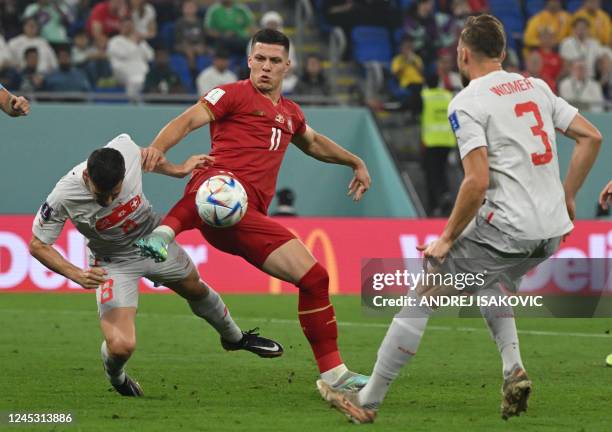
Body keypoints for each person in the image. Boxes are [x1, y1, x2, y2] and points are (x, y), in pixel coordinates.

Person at [317, 14, 602, 423]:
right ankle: (513, 370)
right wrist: (569, 195)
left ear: (462, 54)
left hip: (508, 230)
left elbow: (476, 181)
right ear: (502, 52)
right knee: (493, 284)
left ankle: (368, 400)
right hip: (554, 231)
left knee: (424, 292)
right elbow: (592, 136)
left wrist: (446, 239)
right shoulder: (537, 87)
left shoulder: (468, 101)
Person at [136, 28, 372, 391]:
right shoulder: (231, 94)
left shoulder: (290, 113)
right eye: (259, 59)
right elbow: (186, 121)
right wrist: (156, 148)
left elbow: (314, 144)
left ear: (287, 67)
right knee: (216, 183)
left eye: (274, 61)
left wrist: (354, 161)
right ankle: (163, 235)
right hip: (220, 199)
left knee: (315, 279)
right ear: (249, 61)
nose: (265, 67)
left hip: (250, 220)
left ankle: (333, 375)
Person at [29, 134, 283, 397]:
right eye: (99, 195)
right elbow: (37, 244)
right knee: (121, 347)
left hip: (152, 241)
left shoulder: (125, 150)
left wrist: (179, 170)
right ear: (86, 179)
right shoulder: (63, 195)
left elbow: (148, 157)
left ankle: (234, 338)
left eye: (114, 194)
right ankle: (116, 377)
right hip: (113, 261)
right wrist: (76, 273)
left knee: (195, 288)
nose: (107, 201)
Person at [420, 73, 455, 216]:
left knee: (432, 173)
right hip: (447, 141)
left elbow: (413, 107)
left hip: (431, 141)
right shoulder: (448, 95)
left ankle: (435, 203)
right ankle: (445, 194)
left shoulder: (425, 95)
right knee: (442, 170)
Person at [107, 17, 154, 99]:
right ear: (121, 27)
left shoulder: (140, 42)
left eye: (130, 26)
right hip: (122, 69)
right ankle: (133, 102)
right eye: (126, 26)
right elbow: (123, 54)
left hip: (142, 70)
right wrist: (135, 44)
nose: (128, 28)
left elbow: (150, 56)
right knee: (136, 80)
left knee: (149, 79)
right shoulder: (115, 41)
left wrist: (139, 44)